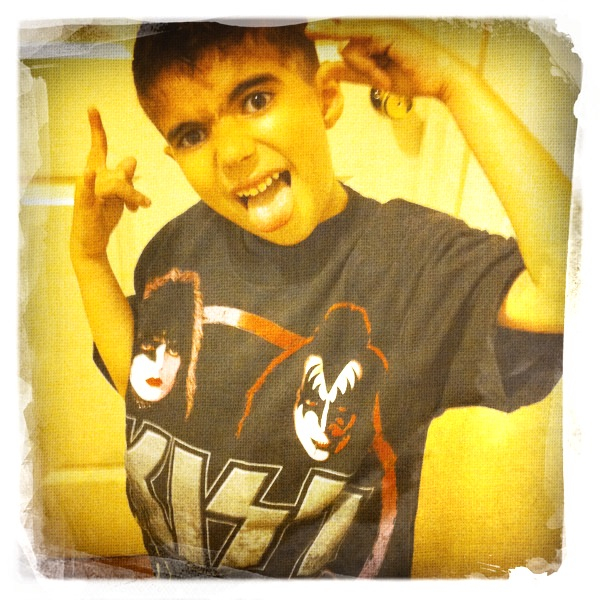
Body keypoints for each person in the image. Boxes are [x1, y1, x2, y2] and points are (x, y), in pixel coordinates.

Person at [70, 20, 569, 578]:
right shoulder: (175, 249)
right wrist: (89, 258)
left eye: (256, 100)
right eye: (192, 134)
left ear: (326, 98)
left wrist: (458, 86)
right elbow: (144, 394)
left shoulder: (408, 263)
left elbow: (567, 295)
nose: (231, 153)